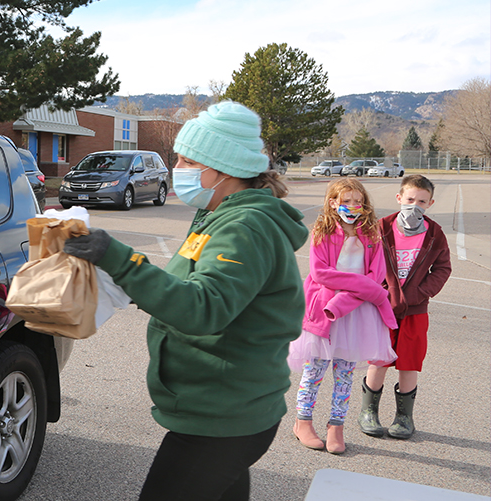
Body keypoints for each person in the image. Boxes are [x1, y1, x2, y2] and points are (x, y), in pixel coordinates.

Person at [63, 101, 308, 500]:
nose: (176, 166)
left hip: (223, 420)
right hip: (224, 411)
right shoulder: (218, 216)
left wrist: (119, 258)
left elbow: (203, 308)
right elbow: (184, 287)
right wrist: (114, 272)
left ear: (221, 169)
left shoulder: (245, 227)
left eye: (186, 159)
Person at [288, 178, 398, 455]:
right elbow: (321, 273)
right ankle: (303, 422)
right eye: (345, 200)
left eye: (357, 201)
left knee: (345, 373)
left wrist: (348, 299)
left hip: (356, 313)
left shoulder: (372, 234)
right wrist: (356, 290)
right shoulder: (321, 232)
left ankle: (336, 427)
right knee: (314, 371)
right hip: (324, 308)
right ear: (333, 202)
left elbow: (376, 276)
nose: (352, 206)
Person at [358, 175, 451, 440]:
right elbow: (366, 262)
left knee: (409, 362)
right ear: (399, 198)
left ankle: (403, 417)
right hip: (382, 308)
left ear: (430, 203)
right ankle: (368, 412)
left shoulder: (434, 233)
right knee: (379, 358)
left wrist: (420, 293)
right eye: (410, 199)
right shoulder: (381, 228)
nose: (415, 205)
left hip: (415, 310)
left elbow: (442, 268)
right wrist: (378, 292)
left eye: (422, 201)